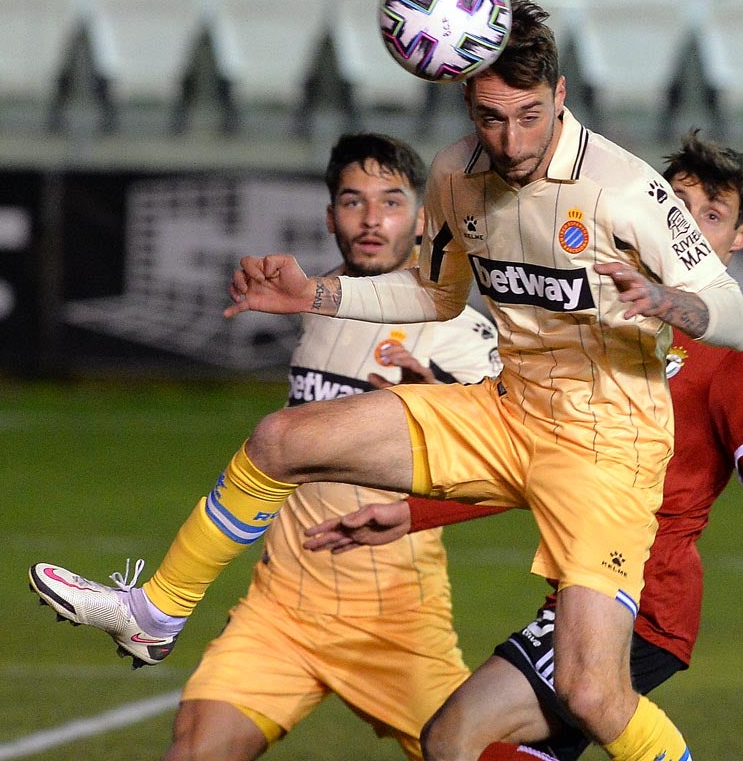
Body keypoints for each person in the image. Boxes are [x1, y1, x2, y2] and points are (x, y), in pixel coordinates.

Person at [29, 0, 743, 761]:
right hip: (505, 415)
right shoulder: (454, 173)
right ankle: (156, 610)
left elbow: (731, 315)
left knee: (590, 692)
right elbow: (431, 296)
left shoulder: (627, 189)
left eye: (529, 116)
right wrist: (312, 292)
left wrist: (667, 301)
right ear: (466, 103)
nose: (510, 141)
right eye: (491, 118)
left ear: (561, 95)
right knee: (281, 441)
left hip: (605, 450)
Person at [305, 130, 743, 761]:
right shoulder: (602, 319)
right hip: (585, 580)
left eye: (713, 214)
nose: (690, 222)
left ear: (741, 238)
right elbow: (537, 455)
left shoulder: (736, 352)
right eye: (678, 203)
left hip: (643, 598)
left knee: (456, 735)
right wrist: (416, 512)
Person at [145, 133, 500, 761]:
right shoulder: (317, 302)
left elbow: (507, 466)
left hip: (395, 619)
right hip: (282, 608)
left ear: (422, 220)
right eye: (352, 202)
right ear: (328, 216)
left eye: (391, 202)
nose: (370, 220)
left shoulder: (459, 329)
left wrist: (439, 411)